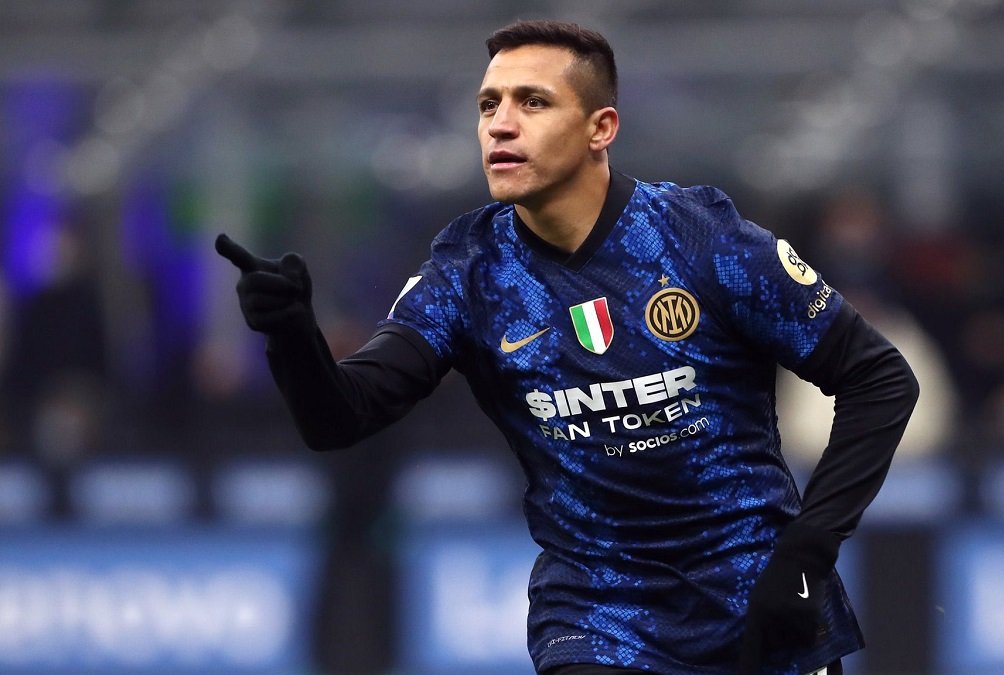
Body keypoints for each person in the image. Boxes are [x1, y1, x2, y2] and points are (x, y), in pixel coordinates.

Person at [216, 20, 918, 675]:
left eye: (533, 102)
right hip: (596, 615)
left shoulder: (704, 241)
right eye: (488, 104)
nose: (500, 123)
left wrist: (807, 553)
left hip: (760, 602)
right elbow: (341, 417)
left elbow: (881, 379)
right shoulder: (468, 273)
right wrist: (291, 336)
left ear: (599, 128)